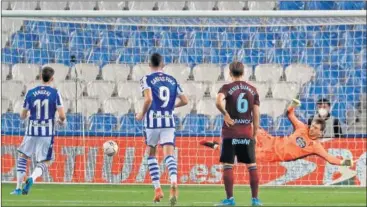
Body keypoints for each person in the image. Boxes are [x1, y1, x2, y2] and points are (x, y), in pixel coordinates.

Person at [200, 99, 353, 167]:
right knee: (252, 126)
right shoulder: (302, 127)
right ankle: (230, 115)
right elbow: (290, 114)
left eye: (315, 128)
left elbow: (330, 158)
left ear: (321, 133)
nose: (311, 128)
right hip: (271, 140)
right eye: (312, 125)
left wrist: (344, 162)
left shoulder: (316, 146)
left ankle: (216, 146)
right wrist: (293, 105)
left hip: (271, 155)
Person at [135, 53, 188, 206]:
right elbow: (185, 100)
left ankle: (157, 188)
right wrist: (172, 106)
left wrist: (140, 114)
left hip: (152, 123)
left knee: (151, 154)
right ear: (163, 64)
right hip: (168, 122)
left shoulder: (146, 79)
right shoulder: (173, 80)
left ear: (149, 64)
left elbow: (149, 99)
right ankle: (173, 181)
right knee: (169, 155)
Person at [10, 66, 66, 195]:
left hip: (31, 130)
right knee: (45, 161)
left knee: (23, 156)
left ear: (41, 77)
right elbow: (62, 116)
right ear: (52, 78)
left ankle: (18, 188)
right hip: (47, 132)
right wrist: (61, 121)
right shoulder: (55, 93)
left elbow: (23, 115)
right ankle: (32, 178)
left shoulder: (30, 92)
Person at [214, 61, 261, 206]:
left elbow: (217, 101)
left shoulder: (226, 87)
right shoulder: (253, 89)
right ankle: (255, 200)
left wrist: (225, 114)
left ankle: (230, 200)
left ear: (229, 72)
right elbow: (256, 113)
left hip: (230, 132)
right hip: (246, 131)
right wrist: (255, 134)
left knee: (228, 165)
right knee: (251, 165)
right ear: (244, 72)